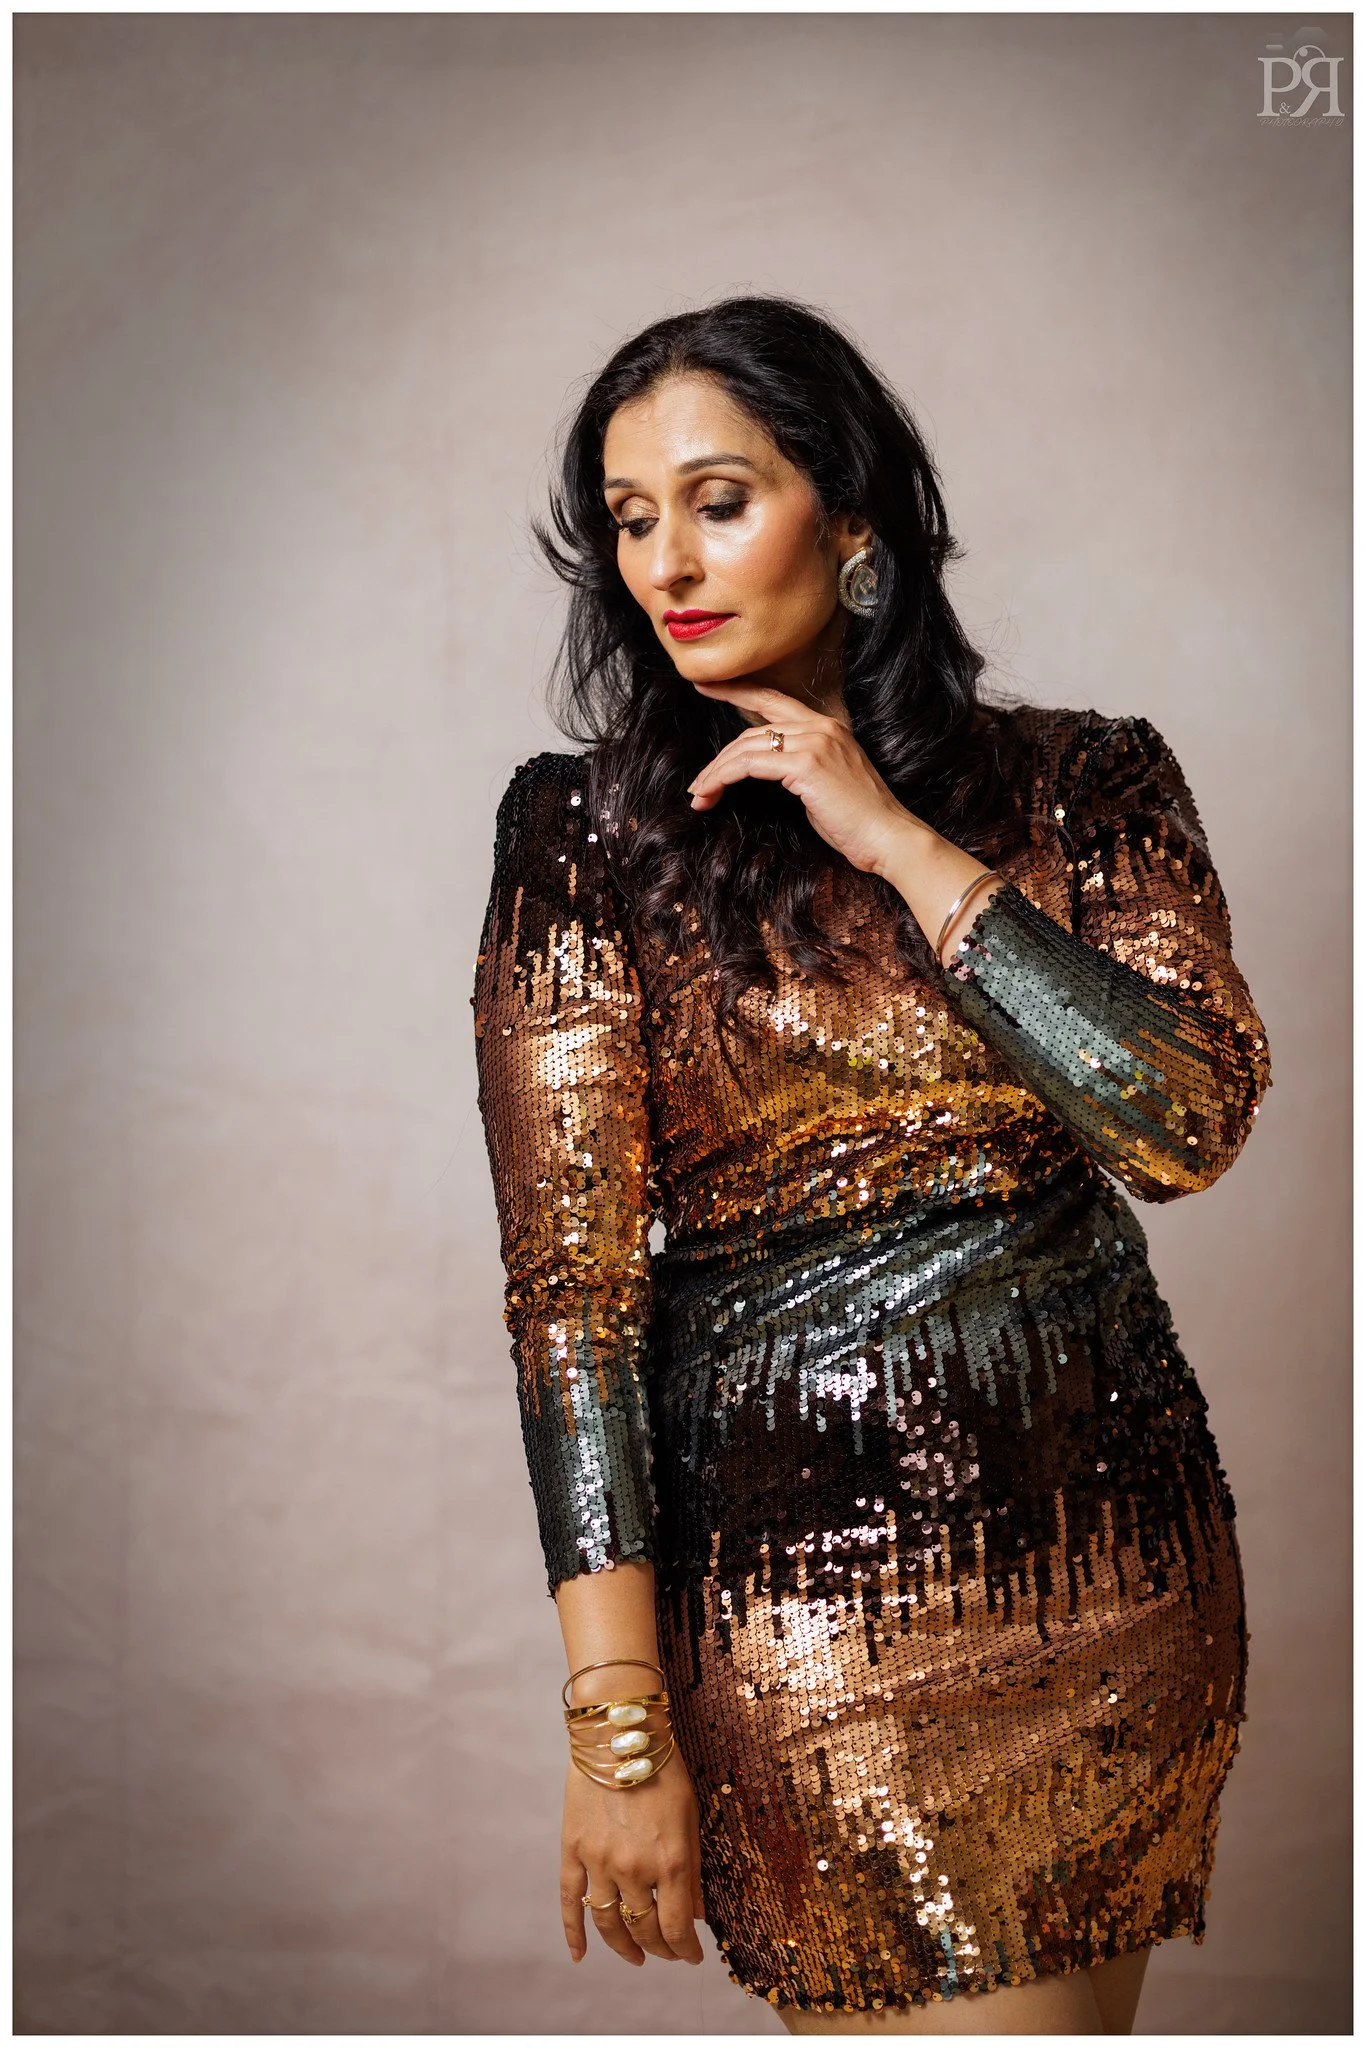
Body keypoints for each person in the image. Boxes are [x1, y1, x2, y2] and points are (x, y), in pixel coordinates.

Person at [470, 295, 1271, 2035]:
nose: (664, 559)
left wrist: (900, 845)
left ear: (851, 522)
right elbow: (572, 1303)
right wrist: (615, 1723)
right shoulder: (584, 838)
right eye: (626, 518)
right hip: (802, 1605)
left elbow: (1186, 1125)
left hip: (1108, 1568)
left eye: (716, 497)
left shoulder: (1090, 782)